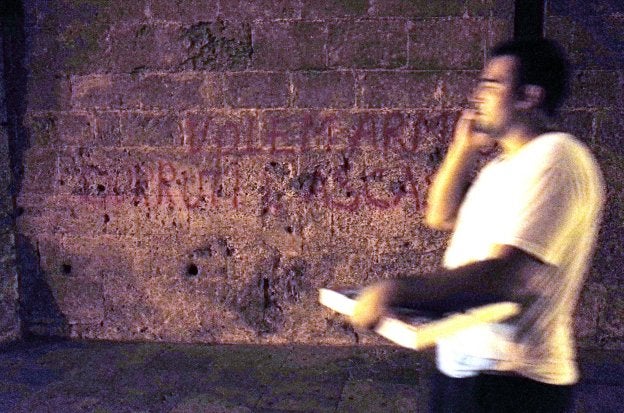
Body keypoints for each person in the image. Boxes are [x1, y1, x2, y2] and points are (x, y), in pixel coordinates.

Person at [350, 38, 605, 412]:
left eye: (492, 84)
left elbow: (505, 276)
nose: (477, 95)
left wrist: (396, 291)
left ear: (529, 96)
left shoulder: (556, 157)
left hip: (512, 381)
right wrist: (463, 148)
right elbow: (440, 215)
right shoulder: (503, 165)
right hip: (467, 368)